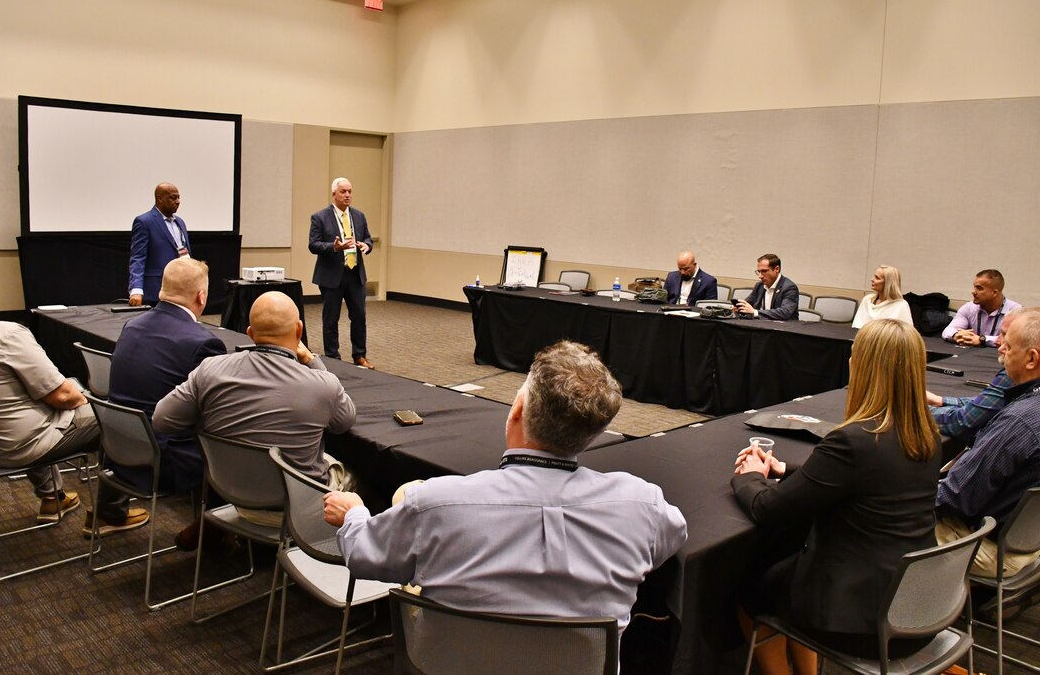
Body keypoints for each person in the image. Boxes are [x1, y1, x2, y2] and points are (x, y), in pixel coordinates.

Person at [322, 340, 687, 638]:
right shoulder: (644, 505)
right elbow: (669, 540)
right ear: (593, 434)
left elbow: (365, 556)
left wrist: (354, 513)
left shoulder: (435, 504)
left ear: (517, 410)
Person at [732, 319, 942, 673]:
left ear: (862, 367)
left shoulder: (854, 441)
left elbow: (767, 508)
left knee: (751, 593)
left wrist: (750, 476)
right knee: (787, 577)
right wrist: (784, 469)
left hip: (859, 618)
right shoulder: (924, 434)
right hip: (916, 606)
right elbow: (866, 482)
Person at [153, 291, 357, 527]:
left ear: (250, 333)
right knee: (353, 480)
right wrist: (312, 361)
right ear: (299, 331)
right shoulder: (323, 384)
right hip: (295, 507)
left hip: (230, 495)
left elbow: (161, 420)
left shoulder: (210, 369)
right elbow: (345, 422)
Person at [0, 263, 116, 525]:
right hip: (19, 446)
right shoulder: (6, 335)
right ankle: (111, 514)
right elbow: (62, 397)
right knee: (116, 415)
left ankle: (52, 496)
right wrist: (85, 398)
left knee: (22, 405)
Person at [97, 258, 227, 540]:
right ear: (201, 296)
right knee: (233, 437)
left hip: (119, 448)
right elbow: (219, 412)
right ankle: (216, 532)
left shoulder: (132, 326)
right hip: (163, 462)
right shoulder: (201, 342)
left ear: (162, 288)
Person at [935, 308, 1040, 577]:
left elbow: (955, 500)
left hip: (990, 548)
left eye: (1008, 344)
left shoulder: (1019, 421)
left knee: (870, 521)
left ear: (1031, 359)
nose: (1000, 347)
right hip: (1029, 541)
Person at [926, 308, 1020, 443]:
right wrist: (939, 400)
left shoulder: (1015, 373)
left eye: (1005, 335)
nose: (998, 343)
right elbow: (987, 402)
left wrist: (911, 410)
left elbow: (961, 423)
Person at [309, 177, 374, 368]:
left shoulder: (359, 216)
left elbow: (368, 238)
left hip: (355, 274)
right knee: (331, 319)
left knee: (359, 317)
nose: (347, 195)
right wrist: (335, 247)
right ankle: (332, 357)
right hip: (332, 276)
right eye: (343, 192)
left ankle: (359, 356)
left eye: (350, 191)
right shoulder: (320, 217)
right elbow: (313, 245)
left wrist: (366, 246)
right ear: (334, 194)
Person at [128, 182, 191, 306]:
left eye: (178, 198)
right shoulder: (144, 222)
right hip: (156, 291)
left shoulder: (180, 222)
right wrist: (136, 289)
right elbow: (138, 257)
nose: (177, 201)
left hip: (180, 289)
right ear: (160, 198)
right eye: (173, 198)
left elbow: (184, 251)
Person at [942, 269, 1021, 347]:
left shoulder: (1016, 311)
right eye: (974, 287)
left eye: (979, 288)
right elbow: (948, 330)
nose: (973, 292)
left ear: (994, 293)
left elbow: (1014, 340)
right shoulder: (968, 308)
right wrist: (956, 335)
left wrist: (982, 339)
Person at [734, 253, 799, 320]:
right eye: (758, 272)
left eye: (764, 271)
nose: (760, 276)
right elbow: (748, 303)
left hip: (784, 328)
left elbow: (785, 312)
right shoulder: (759, 285)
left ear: (777, 269)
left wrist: (755, 312)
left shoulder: (789, 288)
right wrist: (740, 307)